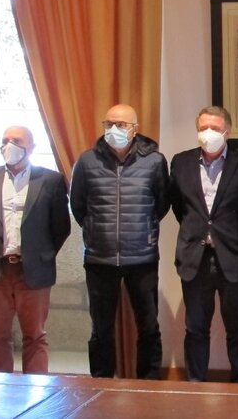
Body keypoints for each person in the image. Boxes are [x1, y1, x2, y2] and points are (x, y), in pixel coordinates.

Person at [169, 106, 238, 382]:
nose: (208, 133)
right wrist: (200, 232)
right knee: (195, 330)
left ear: (228, 131)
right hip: (195, 259)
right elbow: (179, 207)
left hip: (235, 258)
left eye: (214, 128)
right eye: (203, 128)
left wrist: (236, 236)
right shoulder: (180, 162)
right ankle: (195, 385)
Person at [70, 103, 170, 379]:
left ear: (135, 129)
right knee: (101, 328)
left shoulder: (154, 161)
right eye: (109, 123)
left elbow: (161, 204)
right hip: (99, 258)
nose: (114, 129)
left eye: (122, 124)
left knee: (148, 325)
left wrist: (143, 230)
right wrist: (95, 231)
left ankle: (148, 383)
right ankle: (101, 382)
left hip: (142, 257)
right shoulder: (87, 161)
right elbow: (78, 206)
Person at [0, 126, 71, 374]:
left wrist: (40, 253)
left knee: (35, 336)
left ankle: (35, 391)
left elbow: (60, 227)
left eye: (16, 140)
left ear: (32, 147)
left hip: (33, 271)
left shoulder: (51, 181)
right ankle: (0, 390)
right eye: (5, 140)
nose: (9, 145)